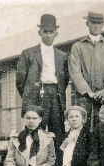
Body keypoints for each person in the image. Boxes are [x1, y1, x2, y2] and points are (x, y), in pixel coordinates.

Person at [16, 14, 69, 145]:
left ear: (56, 33)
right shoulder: (28, 53)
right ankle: (33, 164)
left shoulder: (62, 56)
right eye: (45, 32)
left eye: (51, 32)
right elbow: (20, 81)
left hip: (56, 95)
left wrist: (56, 91)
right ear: (40, 32)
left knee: (58, 131)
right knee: (35, 131)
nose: (48, 35)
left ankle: (58, 165)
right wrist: (31, 96)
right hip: (37, 94)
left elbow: (65, 79)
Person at [69, 11, 104, 131]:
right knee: (84, 128)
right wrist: (88, 92)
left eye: (99, 23)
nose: (96, 26)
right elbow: (75, 72)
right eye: (93, 23)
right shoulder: (78, 47)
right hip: (85, 97)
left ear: (103, 25)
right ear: (87, 23)